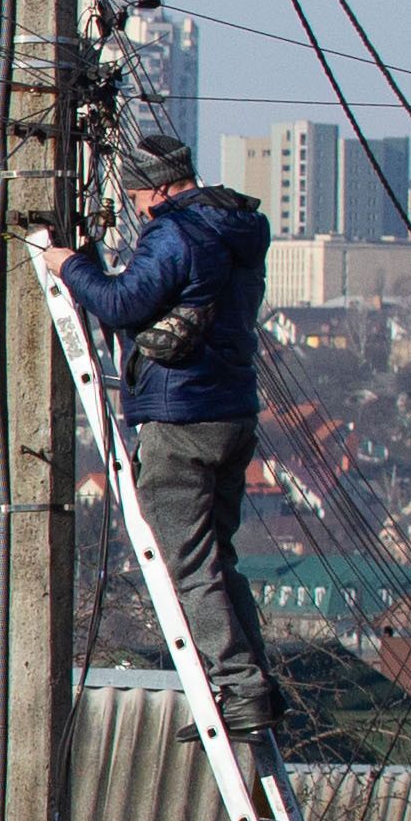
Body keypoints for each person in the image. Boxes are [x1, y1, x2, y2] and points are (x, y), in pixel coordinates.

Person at [63, 134, 283, 740]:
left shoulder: (177, 233)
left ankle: (238, 686)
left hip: (181, 418)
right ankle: (252, 683)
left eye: (137, 196)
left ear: (158, 187)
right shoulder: (236, 229)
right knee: (220, 560)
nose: (137, 207)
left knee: (187, 565)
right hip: (232, 413)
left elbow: (122, 303)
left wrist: (70, 266)